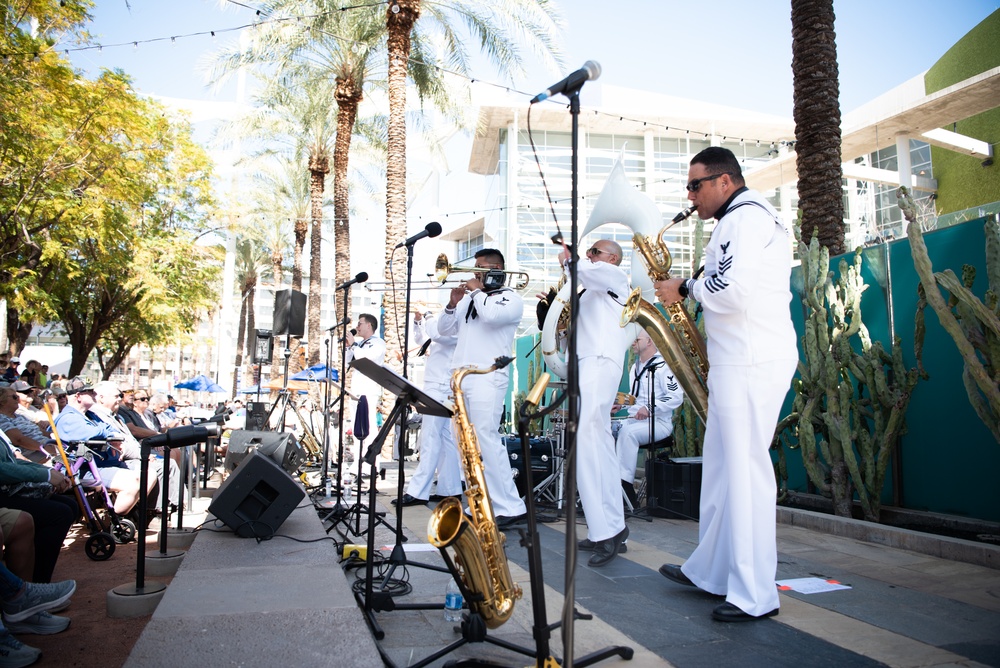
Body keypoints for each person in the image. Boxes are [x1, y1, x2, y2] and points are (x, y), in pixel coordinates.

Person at [653, 146, 797, 622]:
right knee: (719, 469)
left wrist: (685, 288)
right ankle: (712, 573)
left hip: (751, 360)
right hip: (740, 359)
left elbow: (732, 293)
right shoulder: (739, 220)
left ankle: (755, 595)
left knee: (746, 475)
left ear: (724, 182)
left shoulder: (745, 219)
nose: (689, 196)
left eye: (695, 185)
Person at [437, 249, 525, 528]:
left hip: (488, 376)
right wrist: (452, 304)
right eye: (474, 269)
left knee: (486, 439)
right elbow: (444, 330)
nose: (475, 274)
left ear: (497, 268)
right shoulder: (470, 299)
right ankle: (479, 504)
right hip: (462, 378)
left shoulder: (511, 298)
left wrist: (476, 293)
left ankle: (510, 506)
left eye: (481, 268)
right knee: (465, 444)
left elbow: (491, 317)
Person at [558, 239, 633, 566]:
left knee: (587, 438)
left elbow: (586, 272)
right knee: (597, 442)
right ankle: (612, 527)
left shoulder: (615, 278)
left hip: (600, 360)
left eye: (596, 252)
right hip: (589, 361)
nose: (590, 256)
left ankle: (605, 531)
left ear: (612, 259)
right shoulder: (589, 288)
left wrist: (572, 259)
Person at [393, 309, 461, 507]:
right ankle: (450, 490)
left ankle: (418, 491)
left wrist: (429, 315)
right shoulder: (444, 327)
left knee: (430, 439)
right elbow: (421, 339)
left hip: (441, 386)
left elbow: (437, 333)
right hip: (437, 385)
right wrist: (417, 321)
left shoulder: (454, 326)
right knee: (444, 439)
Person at [614, 331, 684, 506]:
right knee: (605, 429)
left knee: (628, 433)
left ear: (650, 341)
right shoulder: (635, 366)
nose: (633, 343)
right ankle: (606, 482)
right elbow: (634, 397)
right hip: (634, 420)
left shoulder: (663, 367)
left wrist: (650, 408)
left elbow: (676, 397)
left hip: (658, 423)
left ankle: (625, 489)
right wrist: (620, 406)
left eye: (636, 339)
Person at [344, 313, 386, 464]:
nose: (357, 327)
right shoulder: (360, 344)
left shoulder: (378, 343)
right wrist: (349, 347)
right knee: (356, 427)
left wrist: (354, 345)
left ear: (369, 325)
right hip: (356, 389)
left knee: (369, 426)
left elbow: (367, 358)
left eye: (360, 323)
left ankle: (371, 464)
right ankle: (358, 463)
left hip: (368, 389)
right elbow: (348, 361)